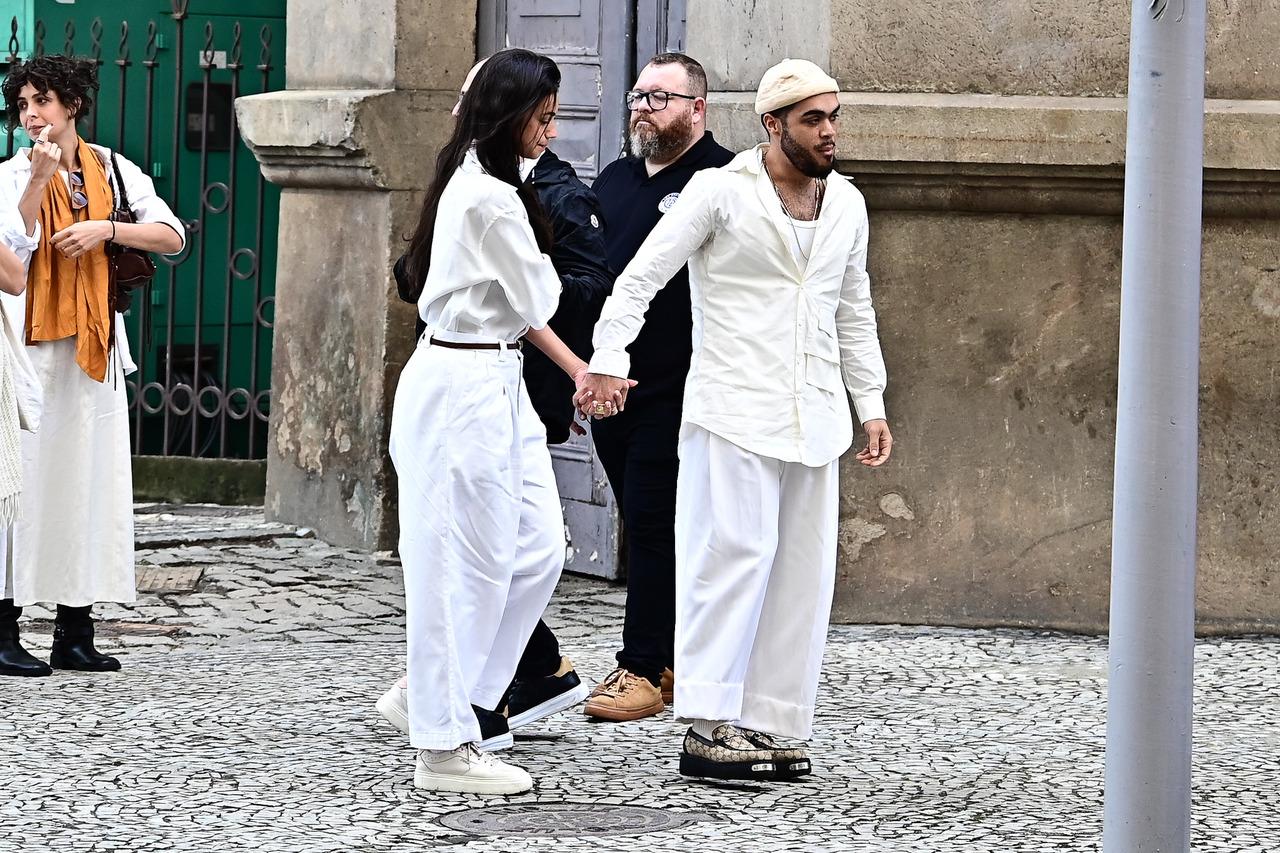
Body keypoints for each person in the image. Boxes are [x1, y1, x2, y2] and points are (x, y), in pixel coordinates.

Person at [577, 59, 894, 781]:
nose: (829, 131)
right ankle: (710, 724)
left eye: (834, 116)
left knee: (801, 575)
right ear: (772, 124)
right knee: (732, 561)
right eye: (813, 118)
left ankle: (774, 721)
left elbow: (854, 307)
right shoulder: (719, 191)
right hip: (732, 410)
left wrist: (869, 403)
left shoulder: (847, 203)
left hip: (813, 417)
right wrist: (607, 358)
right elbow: (640, 279)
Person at [390, 47, 623, 795]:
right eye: (543, 119)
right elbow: (543, 295)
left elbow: (522, 311)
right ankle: (443, 744)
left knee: (535, 549)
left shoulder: (493, 183)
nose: (551, 134)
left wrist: (576, 370)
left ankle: (453, 699)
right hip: (459, 384)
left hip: (495, 376)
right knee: (464, 564)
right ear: (509, 117)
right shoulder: (488, 197)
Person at [0, 55, 185, 676]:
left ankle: (73, 631)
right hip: (27, 348)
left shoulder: (112, 168)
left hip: (95, 343)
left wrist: (106, 229)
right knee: (17, 487)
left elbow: (171, 236)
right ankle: (2, 628)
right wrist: (36, 181)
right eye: (23, 105)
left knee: (86, 483)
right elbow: (10, 257)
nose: (32, 116)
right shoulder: (11, 174)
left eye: (42, 102)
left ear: (72, 104)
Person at [582, 53, 734, 722]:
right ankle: (672, 656)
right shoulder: (614, 178)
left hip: (681, 386)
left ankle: (642, 668)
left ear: (698, 109)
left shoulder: (726, 179)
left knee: (651, 520)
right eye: (639, 94)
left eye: (662, 97)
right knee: (652, 525)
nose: (644, 106)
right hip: (613, 387)